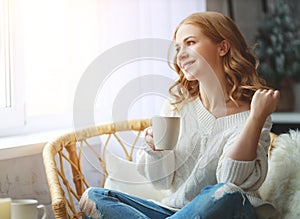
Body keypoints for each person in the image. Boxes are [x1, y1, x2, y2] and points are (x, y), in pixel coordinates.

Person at [79, 11, 280, 219]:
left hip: (229, 209)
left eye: (190, 42)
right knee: (93, 197)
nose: (180, 55)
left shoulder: (255, 112)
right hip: (175, 212)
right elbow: (162, 182)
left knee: (226, 192)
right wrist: (156, 150)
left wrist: (256, 118)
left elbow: (230, 179)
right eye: (178, 48)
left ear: (222, 47)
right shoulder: (178, 107)